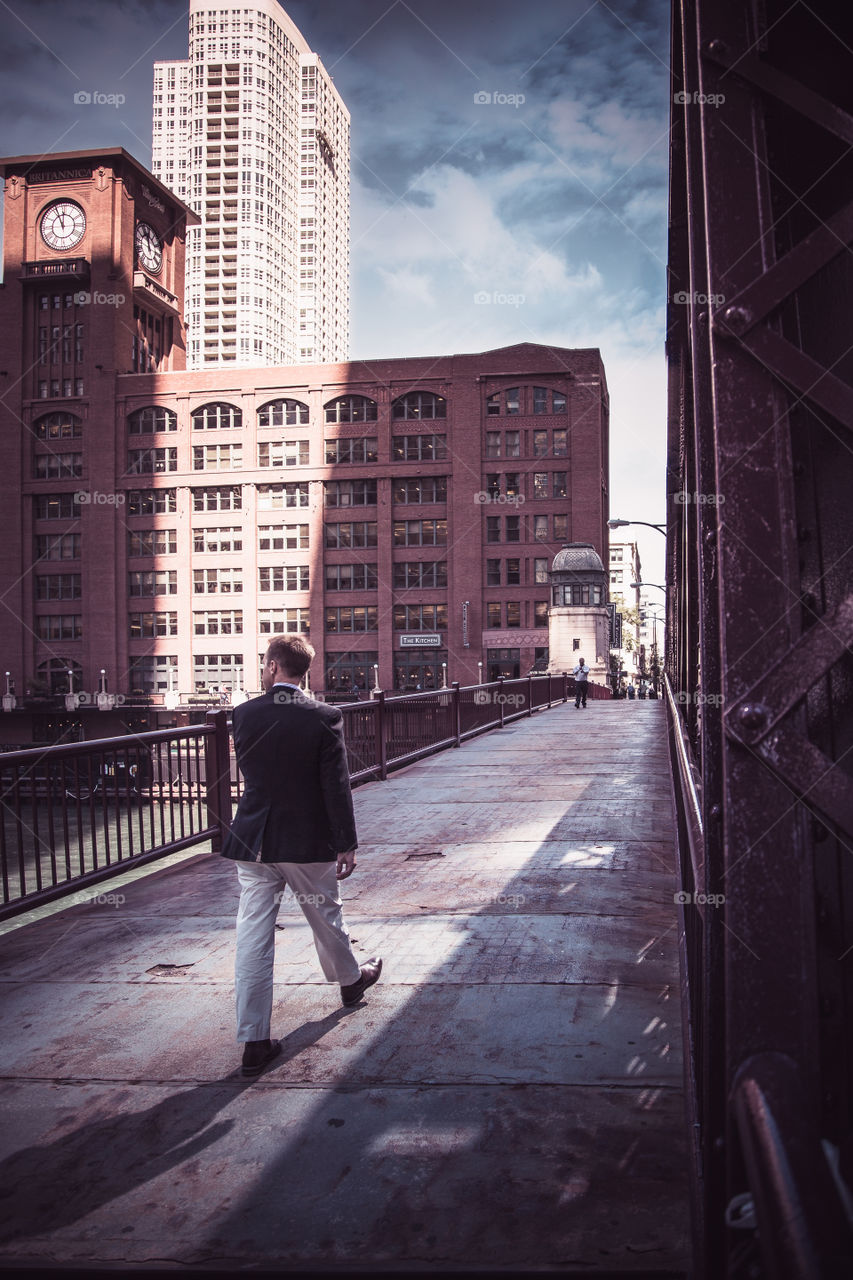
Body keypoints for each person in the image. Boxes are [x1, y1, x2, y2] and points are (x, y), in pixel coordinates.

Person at [221, 635, 382, 1077]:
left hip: (253, 842)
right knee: (325, 916)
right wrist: (346, 841)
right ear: (303, 670)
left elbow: (254, 775)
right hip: (306, 842)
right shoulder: (325, 717)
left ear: (274, 667)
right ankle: (351, 984)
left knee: (253, 937)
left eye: (263, 663)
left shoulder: (243, 714)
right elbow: (335, 785)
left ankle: (254, 1041)